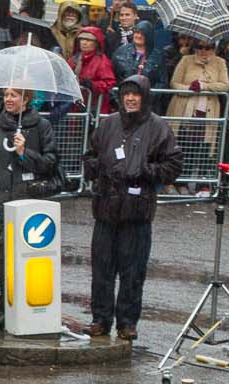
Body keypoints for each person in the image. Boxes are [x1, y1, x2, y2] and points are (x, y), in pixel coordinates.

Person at [84, 74, 180, 341]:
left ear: (145, 97)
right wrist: (95, 167)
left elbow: (173, 165)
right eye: (126, 93)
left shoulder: (158, 127)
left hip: (136, 212)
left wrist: (146, 170)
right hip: (105, 209)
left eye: (136, 94)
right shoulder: (108, 125)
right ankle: (100, 319)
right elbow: (90, 154)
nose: (130, 98)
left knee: (132, 272)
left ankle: (127, 322)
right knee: (102, 270)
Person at [0, 85, 59, 332]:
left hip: (25, 199)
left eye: (13, 95)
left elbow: (50, 163)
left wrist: (24, 153)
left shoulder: (41, 127)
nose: (8, 99)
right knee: (2, 257)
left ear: (26, 99)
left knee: (22, 258)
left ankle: (13, 308)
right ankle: (4, 307)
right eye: (6, 95)